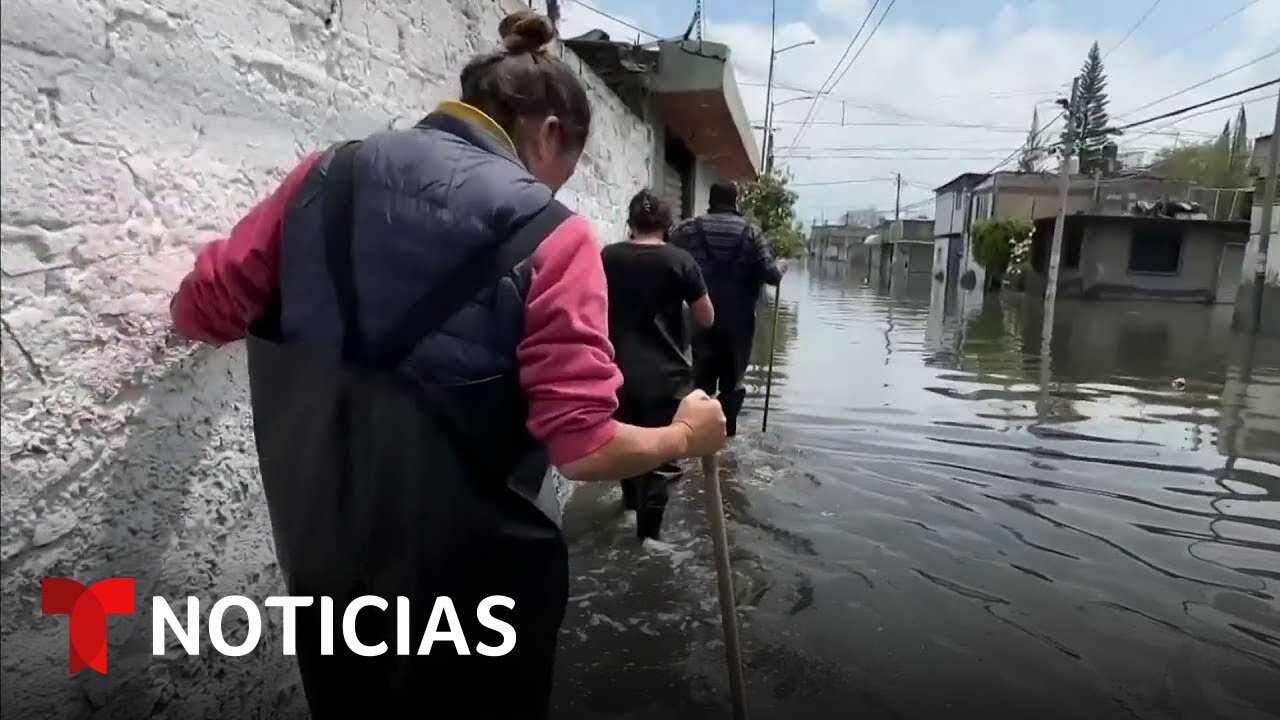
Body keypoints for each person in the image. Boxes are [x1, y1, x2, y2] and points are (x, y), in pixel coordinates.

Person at [167, 11, 725, 719]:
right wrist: (685, 437)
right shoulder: (556, 239)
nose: (549, 191)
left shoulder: (323, 174)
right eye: (565, 170)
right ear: (550, 133)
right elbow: (582, 447)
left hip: (329, 575)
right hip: (476, 597)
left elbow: (204, 308)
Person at [601, 189, 715, 540]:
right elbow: (706, 317)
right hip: (666, 376)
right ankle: (648, 540)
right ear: (668, 225)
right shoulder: (680, 261)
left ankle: (630, 508)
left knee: (627, 444)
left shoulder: (607, 256)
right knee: (662, 461)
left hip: (615, 372)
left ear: (630, 222)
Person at [670, 179, 785, 437]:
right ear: (736, 201)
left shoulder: (688, 230)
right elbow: (771, 275)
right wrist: (783, 266)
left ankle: (699, 436)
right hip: (739, 323)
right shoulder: (751, 233)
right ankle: (727, 434)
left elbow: (669, 258)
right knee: (732, 382)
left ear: (711, 201)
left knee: (701, 381)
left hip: (701, 316)